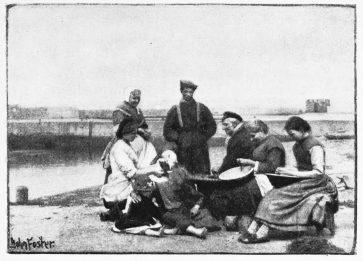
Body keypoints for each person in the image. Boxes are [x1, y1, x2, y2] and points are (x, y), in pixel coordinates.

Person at [239, 116, 338, 244]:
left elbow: (319, 172)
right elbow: (300, 167)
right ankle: (252, 229)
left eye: (292, 134)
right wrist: (286, 171)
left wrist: (293, 173)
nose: (291, 137)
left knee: (278, 196)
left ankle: (263, 231)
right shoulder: (297, 146)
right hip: (304, 180)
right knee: (272, 194)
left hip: (317, 182)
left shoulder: (315, 145)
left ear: (301, 129)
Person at [208, 119, 285, 223]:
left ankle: (245, 217)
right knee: (228, 189)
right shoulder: (259, 142)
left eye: (253, 136)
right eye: (250, 136)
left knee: (241, 191)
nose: (252, 139)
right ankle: (234, 216)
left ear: (262, 131)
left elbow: (272, 167)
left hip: (269, 180)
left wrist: (251, 163)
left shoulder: (274, 144)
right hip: (257, 176)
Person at [99, 117, 163, 221]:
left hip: (128, 184)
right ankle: (117, 211)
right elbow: (132, 173)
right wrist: (152, 170)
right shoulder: (119, 148)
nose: (135, 135)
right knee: (144, 203)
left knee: (152, 193)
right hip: (119, 187)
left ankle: (118, 211)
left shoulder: (126, 144)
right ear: (126, 133)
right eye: (133, 133)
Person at [155, 151, 221, 239]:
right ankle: (195, 231)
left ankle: (177, 229)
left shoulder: (180, 180)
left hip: (184, 210)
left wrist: (196, 207)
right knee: (180, 220)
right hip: (168, 213)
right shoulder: (157, 180)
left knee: (208, 218)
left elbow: (199, 196)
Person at [101, 88, 157, 185]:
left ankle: (134, 187)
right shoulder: (120, 109)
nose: (136, 101)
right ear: (128, 96)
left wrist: (146, 131)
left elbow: (144, 124)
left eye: (138, 98)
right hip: (123, 139)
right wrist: (138, 130)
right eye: (133, 98)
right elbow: (119, 128)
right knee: (115, 167)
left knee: (136, 165)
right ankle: (108, 190)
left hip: (137, 141)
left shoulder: (138, 110)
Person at [163, 80, 217, 175]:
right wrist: (178, 138)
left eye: (190, 92)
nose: (188, 94)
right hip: (183, 148)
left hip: (200, 147)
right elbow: (167, 130)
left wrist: (203, 137)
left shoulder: (202, 108)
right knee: (185, 174)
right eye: (185, 92)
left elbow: (212, 125)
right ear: (181, 92)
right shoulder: (175, 110)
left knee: (203, 173)